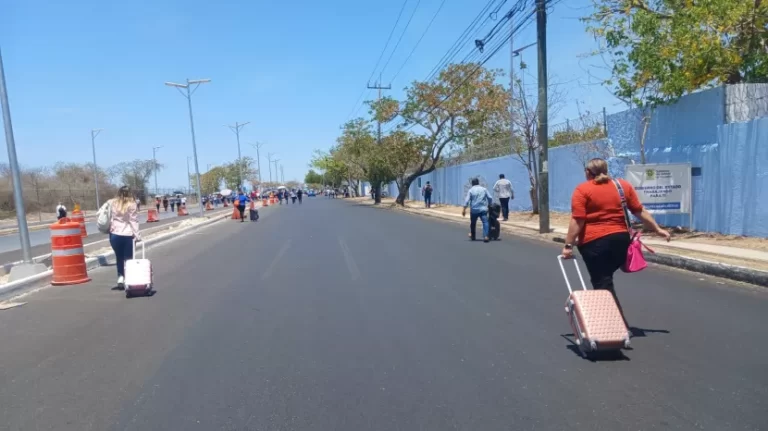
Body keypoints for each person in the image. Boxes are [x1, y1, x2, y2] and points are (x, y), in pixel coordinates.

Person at [562, 158, 670, 326]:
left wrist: (568, 245)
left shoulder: (583, 189)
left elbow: (578, 220)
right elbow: (638, 210)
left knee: (602, 281)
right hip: (620, 240)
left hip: (594, 243)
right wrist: (657, 229)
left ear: (588, 173)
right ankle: (612, 321)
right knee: (605, 279)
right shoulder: (622, 186)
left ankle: (617, 325)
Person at [109, 186, 141, 289]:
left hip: (114, 234)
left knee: (119, 257)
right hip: (128, 234)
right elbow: (133, 221)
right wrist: (137, 235)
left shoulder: (113, 203)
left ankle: (120, 277)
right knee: (128, 258)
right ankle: (129, 278)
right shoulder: (132, 204)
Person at [462, 178, 493, 243]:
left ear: (472, 184)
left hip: (474, 210)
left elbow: (467, 200)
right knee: (485, 222)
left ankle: (473, 236)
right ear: (478, 182)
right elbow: (490, 197)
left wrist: (464, 209)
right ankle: (486, 236)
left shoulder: (471, 190)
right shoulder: (484, 189)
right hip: (483, 209)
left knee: (473, 223)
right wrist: (490, 204)